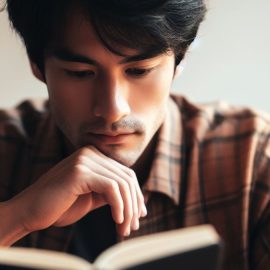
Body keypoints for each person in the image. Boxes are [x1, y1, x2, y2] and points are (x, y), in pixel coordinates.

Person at [0, 0, 269, 269]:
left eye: (139, 70)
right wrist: (17, 217)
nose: (113, 110)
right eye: (80, 73)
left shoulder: (254, 160)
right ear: (37, 66)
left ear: (180, 59)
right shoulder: (6, 146)